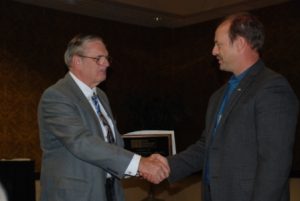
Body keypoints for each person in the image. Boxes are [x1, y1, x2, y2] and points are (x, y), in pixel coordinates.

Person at [167, 12, 299, 201]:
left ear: (240, 44)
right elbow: (207, 146)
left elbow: (274, 163)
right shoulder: (218, 96)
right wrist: (167, 165)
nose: (213, 51)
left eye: (218, 44)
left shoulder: (272, 88)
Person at [38, 34, 169, 201]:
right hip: (76, 195)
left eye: (107, 58)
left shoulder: (100, 96)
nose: (106, 63)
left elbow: (111, 144)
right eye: (98, 58)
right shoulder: (56, 95)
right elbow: (81, 142)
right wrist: (140, 163)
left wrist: (140, 166)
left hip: (109, 191)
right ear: (77, 61)